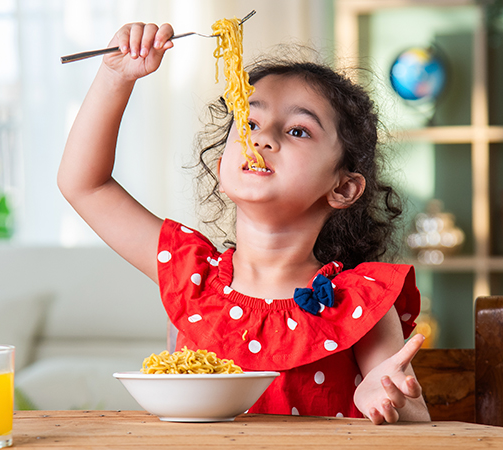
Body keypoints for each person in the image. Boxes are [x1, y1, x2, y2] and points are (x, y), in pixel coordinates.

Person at [58, 22, 430, 424]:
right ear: (222, 165)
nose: (262, 138)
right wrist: (116, 76)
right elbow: (84, 185)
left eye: (298, 130)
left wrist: (391, 398)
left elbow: (411, 422)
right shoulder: (191, 272)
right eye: (249, 123)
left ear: (343, 188)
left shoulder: (357, 301)